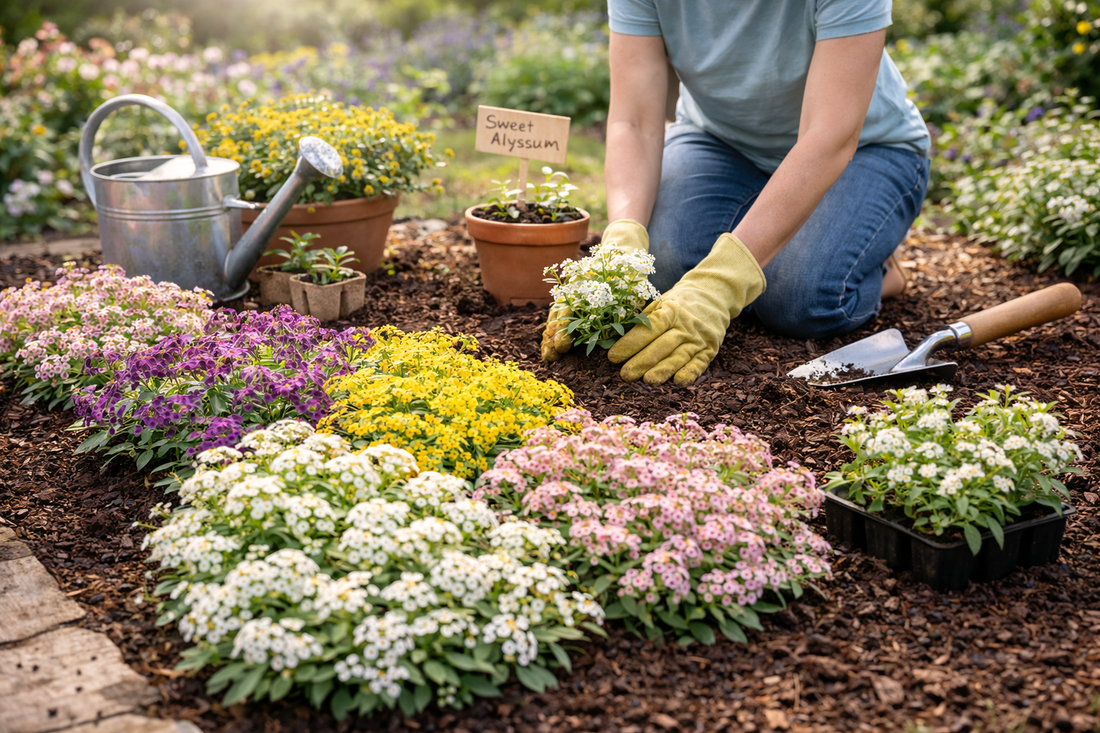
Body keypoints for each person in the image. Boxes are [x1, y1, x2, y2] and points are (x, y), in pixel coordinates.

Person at [540, 1, 931, 386]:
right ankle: (780, 225)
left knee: (795, 298)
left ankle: (880, 266)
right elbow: (635, 120)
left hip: (865, 148)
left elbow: (829, 137)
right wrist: (622, 240)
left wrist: (722, 284)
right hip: (722, 142)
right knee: (660, 268)